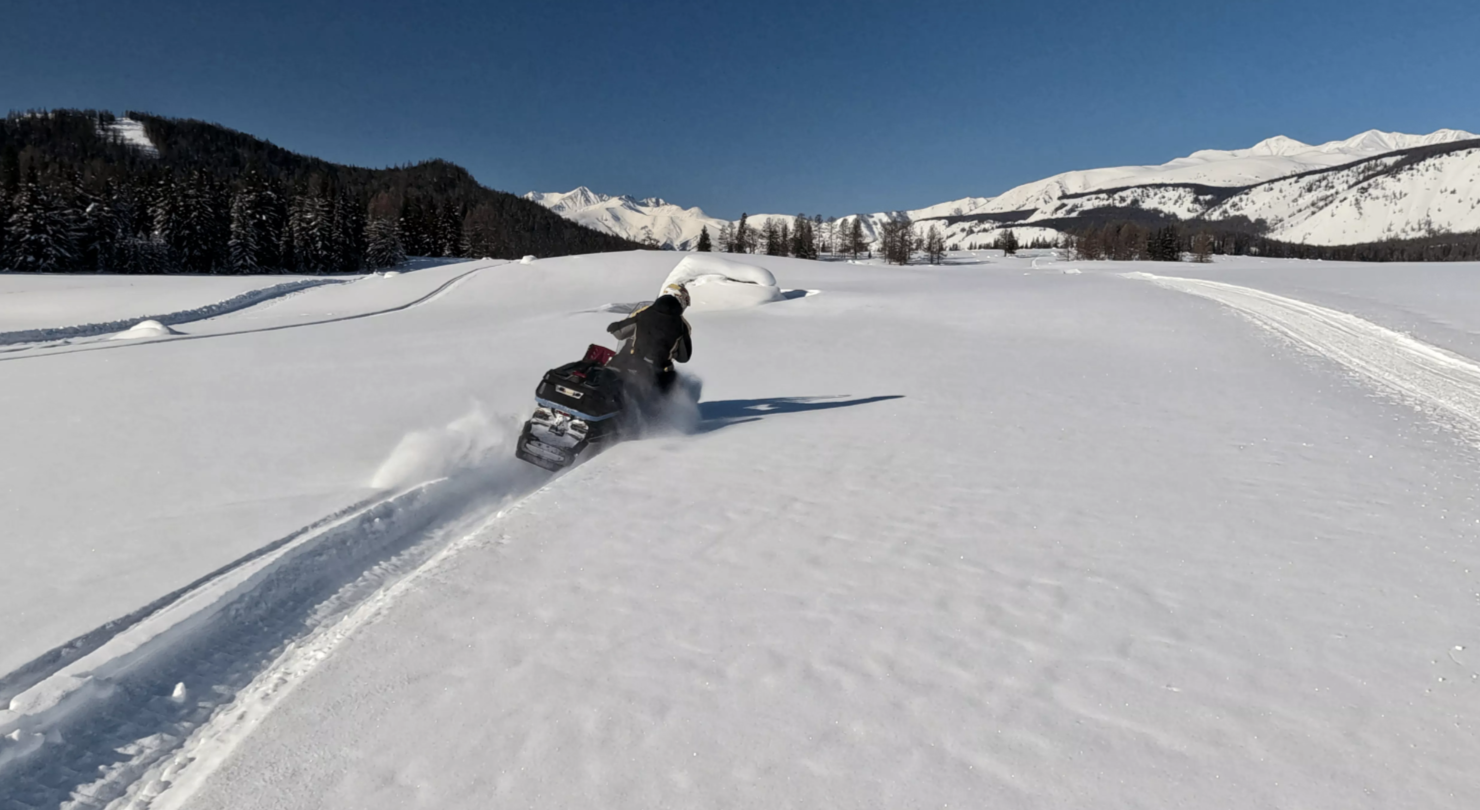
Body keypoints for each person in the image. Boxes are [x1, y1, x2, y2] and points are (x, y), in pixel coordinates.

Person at [606, 283, 692, 401]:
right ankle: (658, 413)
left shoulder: (645, 312)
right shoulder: (682, 326)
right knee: (672, 379)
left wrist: (614, 326)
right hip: (656, 370)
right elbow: (684, 357)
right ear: (681, 301)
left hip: (632, 361)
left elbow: (620, 333)